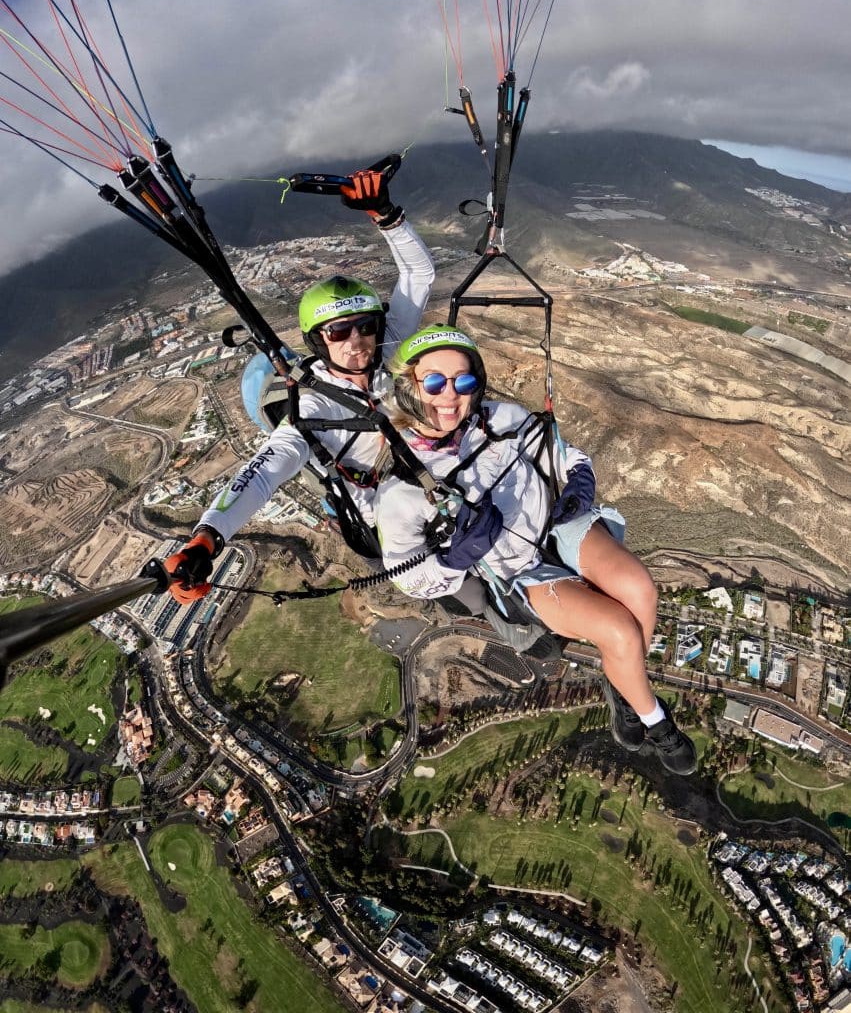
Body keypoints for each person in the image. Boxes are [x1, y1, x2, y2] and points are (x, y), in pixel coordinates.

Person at [373, 325, 698, 776]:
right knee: (620, 632)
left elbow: (560, 451)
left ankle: (624, 689)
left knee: (639, 588)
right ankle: (654, 719)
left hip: (557, 526)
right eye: (434, 382)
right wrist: (455, 559)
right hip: (522, 571)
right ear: (410, 386)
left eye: (463, 381)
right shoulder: (401, 490)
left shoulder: (497, 419)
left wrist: (580, 481)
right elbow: (410, 577)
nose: (450, 395)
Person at [160, 168, 435, 605]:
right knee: (468, 597)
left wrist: (386, 215)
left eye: (366, 326)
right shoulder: (310, 408)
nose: (357, 341)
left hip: (432, 482)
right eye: (338, 332)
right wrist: (208, 537)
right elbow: (264, 471)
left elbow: (418, 276)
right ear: (316, 341)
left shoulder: (385, 351)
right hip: (384, 518)